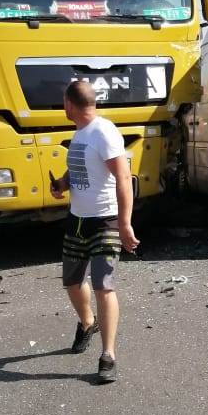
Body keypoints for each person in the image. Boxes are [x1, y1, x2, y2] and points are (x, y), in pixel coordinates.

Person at [50, 79, 140, 382]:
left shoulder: (103, 132)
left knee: (103, 285)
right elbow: (80, 168)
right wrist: (63, 183)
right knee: (72, 283)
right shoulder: (80, 134)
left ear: (69, 105)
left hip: (106, 222)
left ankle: (108, 355)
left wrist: (125, 223)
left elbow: (123, 177)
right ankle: (88, 323)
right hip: (77, 220)